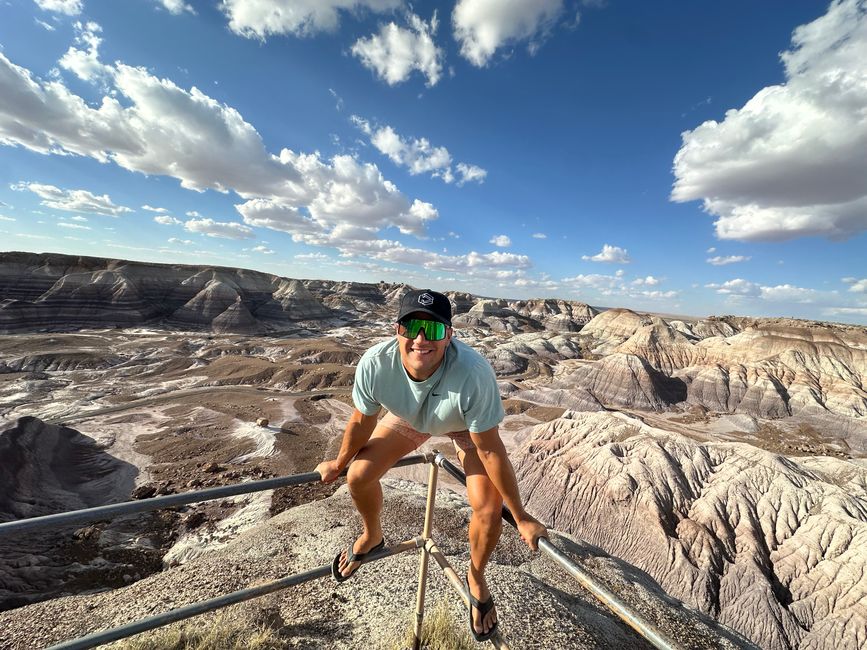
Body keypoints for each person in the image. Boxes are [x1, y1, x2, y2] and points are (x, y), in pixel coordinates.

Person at [316, 289, 548, 642]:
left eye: (435, 330)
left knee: (487, 510)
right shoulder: (376, 364)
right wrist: (339, 462)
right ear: (397, 330)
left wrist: (520, 516)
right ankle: (372, 536)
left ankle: (476, 578)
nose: (421, 339)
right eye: (412, 327)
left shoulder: (472, 373)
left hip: (463, 427)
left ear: (449, 335)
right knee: (358, 476)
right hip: (410, 418)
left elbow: (490, 449)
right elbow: (362, 421)